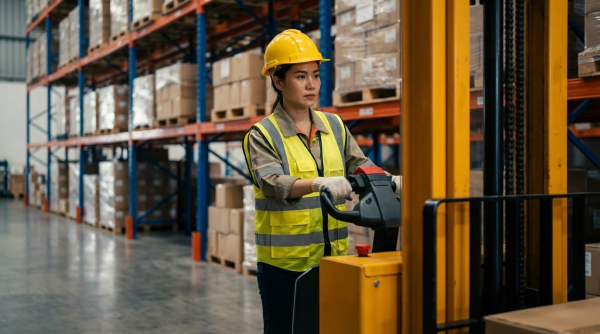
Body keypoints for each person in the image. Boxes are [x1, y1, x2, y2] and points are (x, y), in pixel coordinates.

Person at [242, 29, 402, 334]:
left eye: (315, 75)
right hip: (284, 267)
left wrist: (390, 180)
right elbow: (272, 183)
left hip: (333, 260)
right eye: (300, 76)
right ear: (278, 81)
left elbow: (360, 164)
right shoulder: (262, 134)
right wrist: (318, 184)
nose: (311, 84)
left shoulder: (334, 124)